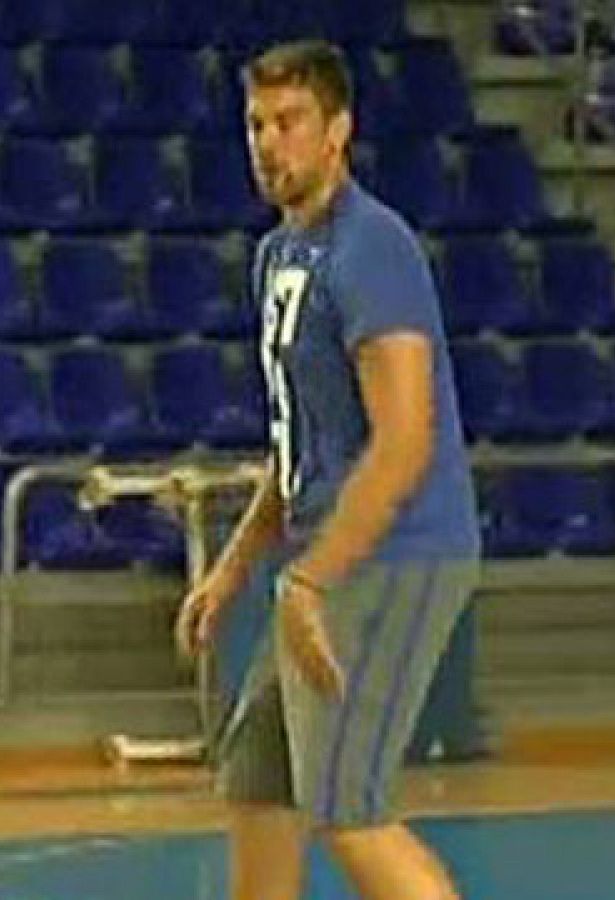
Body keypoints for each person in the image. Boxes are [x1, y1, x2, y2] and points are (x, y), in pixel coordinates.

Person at [174, 40, 480, 900]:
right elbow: (299, 446)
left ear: (338, 131)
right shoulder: (279, 255)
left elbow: (405, 438)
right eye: (256, 123)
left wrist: (309, 581)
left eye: (290, 121)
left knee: (348, 808)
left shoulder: (371, 248)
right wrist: (234, 570)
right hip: (323, 562)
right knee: (259, 780)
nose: (270, 142)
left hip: (395, 553)